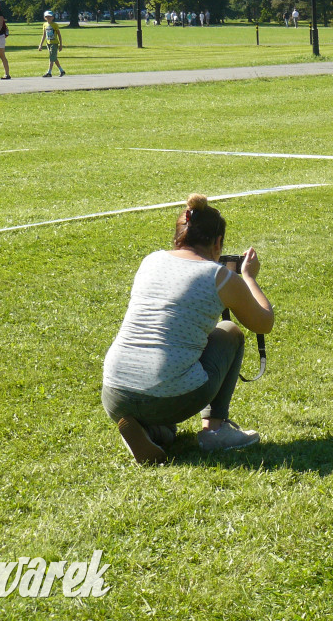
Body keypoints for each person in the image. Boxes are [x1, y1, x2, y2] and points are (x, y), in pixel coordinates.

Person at [101, 194, 275, 464]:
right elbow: (263, 322)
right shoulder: (219, 276)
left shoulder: (150, 261)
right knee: (229, 331)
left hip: (114, 392)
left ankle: (149, 431)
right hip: (168, 394)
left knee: (168, 431)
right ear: (218, 243)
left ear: (178, 235)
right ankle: (215, 430)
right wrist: (249, 277)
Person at [37, 10, 65, 77]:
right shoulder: (45, 25)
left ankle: (49, 72)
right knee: (53, 57)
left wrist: (61, 45)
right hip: (48, 43)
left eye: (50, 16)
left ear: (52, 17)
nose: (48, 18)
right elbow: (44, 35)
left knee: (51, 57)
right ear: (45, 17)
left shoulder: (55, 25)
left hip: (54, 43)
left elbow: (59, 35)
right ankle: (61, 70)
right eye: (47, 17)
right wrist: (40, 44)